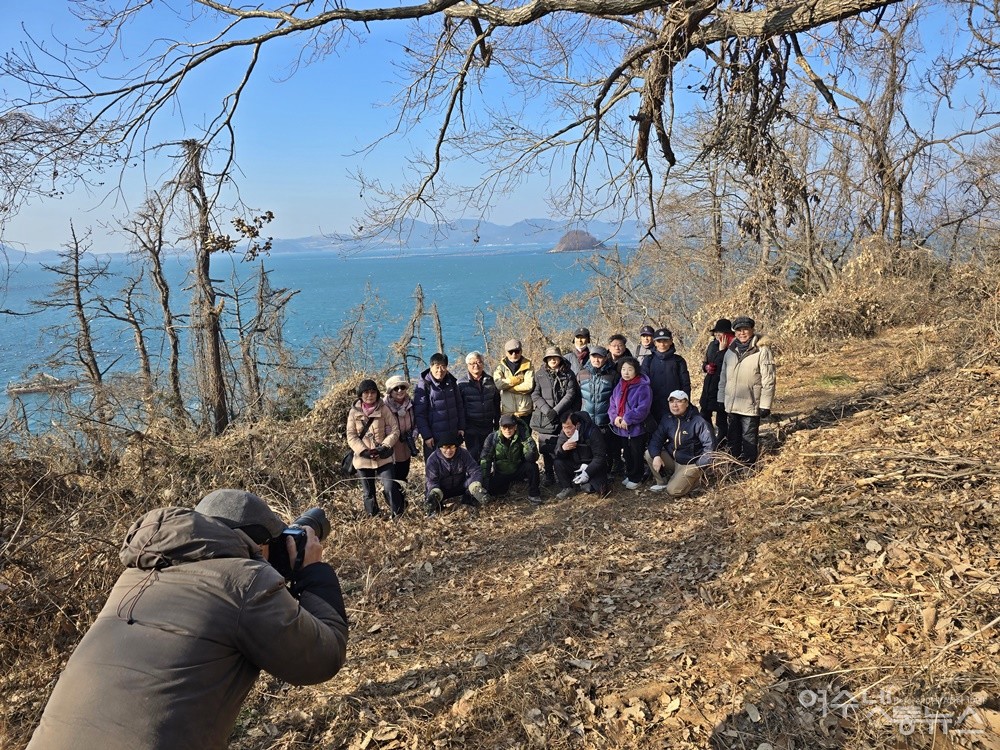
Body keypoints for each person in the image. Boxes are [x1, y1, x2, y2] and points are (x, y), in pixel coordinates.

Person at [26, 489, 348, 750]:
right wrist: (311, 571)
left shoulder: (135, 575)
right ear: (260, 546)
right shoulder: (244, 580)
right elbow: (324, 656)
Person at [718, 315, 776, 465]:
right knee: (733, 437)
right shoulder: (730, 351)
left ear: (752, 330)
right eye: (738, 330)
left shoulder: (762, 350)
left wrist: (765, 404)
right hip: (732, 403)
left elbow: (768, 379)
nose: (742, 333)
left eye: (745, 330)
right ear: (735, 332)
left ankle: (748, 467)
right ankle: (733, 464)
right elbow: (723, 378)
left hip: (750, 403)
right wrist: (721, 399)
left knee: (749, 438)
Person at [646, 391, 715, 497]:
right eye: (672, 401)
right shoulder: (667, 419)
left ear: (687, 403)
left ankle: (696, 480)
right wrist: (656, 456)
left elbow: (710, 449)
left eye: (679, 401)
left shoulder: (698, 422)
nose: (674, 405)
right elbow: (656, 439)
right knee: (649, 454)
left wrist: (698, 466)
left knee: (673, 491)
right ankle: (662, 482)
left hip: (691, 464)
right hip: (674, 459)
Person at [347, 379, 400, 517]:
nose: (370, 395)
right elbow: (351, 435)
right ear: (360, 395)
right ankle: (373, 516)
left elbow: (395, 430)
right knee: (368, 492)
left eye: (372, 392)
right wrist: (363, 451)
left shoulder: (383, 408)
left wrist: (385, 446)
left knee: (390, 487)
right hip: (363, 458)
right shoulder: (354, 412)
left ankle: (397, 515)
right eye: (366, 393)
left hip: (383, 456)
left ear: (377, 394)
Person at [531, 345, 580, 486]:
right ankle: (549, 475)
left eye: (555, 357)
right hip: (545, 418)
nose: (553, 360)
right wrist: (547, 410)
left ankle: (564, 474)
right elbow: (535, 394)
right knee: (546, 447)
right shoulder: (539, 374)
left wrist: (556, 411)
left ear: (560, 358)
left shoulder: (568, 374)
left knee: (565, 445)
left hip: (564, 416)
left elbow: (571, 394)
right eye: (550, 358)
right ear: (546, 360)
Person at [608, 356, 653, 489]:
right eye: (623, 369)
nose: (626, 372)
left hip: (636, 428)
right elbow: (612, 403)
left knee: (636, 452)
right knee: (626, 452)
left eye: (630, 369)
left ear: (636, 371)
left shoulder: (643, 387)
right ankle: (630, 474)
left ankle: (637, 477)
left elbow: (643, 408)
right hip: (621, 428)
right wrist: (615, 417)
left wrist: (628, 418)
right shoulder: (620, 385)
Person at [480, 414, 542, 504]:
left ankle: (534, 494)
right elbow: (485, 459)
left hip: (518, 469)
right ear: (500, 428)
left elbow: (532, 457)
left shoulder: (522, 436)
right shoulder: (492, 438)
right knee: (493, 491)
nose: (507, 430)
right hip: (501, 472)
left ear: (515, 427)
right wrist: (485, 481)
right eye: (505, 427)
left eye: (510, 427)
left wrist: (527, 440)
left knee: (532, 467)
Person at [414, 352, 465, 458]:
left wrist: (461, 427)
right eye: (437, 367)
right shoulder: (424, 385)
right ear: (431, 367)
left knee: (454, 467)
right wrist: (427, 436)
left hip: (452, 435)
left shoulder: (451, 382)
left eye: (443, 367)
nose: (440, 370)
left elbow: (459, 405)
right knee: (434, 468)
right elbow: (420, 414)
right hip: (434, 438)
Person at [424, 433, 488, 515]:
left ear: (456, 447)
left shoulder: (463, 454)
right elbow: (431, 481)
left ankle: (470, 499)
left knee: (473, 484)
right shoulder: (433, 459)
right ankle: (434, 506)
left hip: (460, 485)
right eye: (445, 447)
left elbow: (475, 470)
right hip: (442, 489)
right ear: (440, 448)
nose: (449, 450)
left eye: (452, 447)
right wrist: (434, 491)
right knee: (432, 495)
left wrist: (476, 485)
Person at [553, 411, 610, 499]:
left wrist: (587, 472)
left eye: (569, 427)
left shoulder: (592, 431)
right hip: (576, 464)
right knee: (558, 462)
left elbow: (600, 457)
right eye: (564, 427)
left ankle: (584, 483)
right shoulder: (564, 432)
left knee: (598, 489)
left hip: (592, 465)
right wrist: (563, 449)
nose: (566, 431)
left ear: (577, 425)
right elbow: (557, 452)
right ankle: (567, 487)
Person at [641, 327, 691, 424]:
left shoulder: (678, 360)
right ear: (655, 343)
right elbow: (642, 385)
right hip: (653, 405)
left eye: (665, 341)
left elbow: (685, 384)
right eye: (659, 341)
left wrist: (685, 402)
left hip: (674, 405)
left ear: (671, 341)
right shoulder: (649, 360)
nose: (662, 344)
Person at [457, 351, 500, 461]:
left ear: (483, 363)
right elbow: (459, 407)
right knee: (474, 455)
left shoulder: (490, 381)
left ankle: (488, 477)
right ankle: (476, 477)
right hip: (471, 426)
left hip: (488, 424)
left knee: (488, 453)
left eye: (479, 362)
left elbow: (496, 403)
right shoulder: (461, 384)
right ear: (468, 365)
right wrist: (461, 426)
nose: (476, 365)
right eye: (472, 363)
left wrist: (497, 421)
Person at [384, 374, 418, 516]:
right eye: (395, 388)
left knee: (403, 477)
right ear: (390, 392)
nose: (399, 391)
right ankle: (395, 509)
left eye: (402, 387)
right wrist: (393, 436)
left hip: (406, 448)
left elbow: (416, 422)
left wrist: (414, 434)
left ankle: (402, 506)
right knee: (391, 481)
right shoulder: (385, 407)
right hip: (390, 449)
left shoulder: (410, 405)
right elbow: (380, 427)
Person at [699, 318, 734, 446]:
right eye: (717, 333)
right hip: (709, 386)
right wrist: (705, 367)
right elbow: (706, 362)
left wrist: (722, 350)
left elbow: (725, 365)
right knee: (704, 416)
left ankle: (722, 444)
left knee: (721, 419)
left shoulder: (732, 347)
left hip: (722, 387)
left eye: (721, 333)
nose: (718, 335)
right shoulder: (712, 345)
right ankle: (707, 441)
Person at [494, 338, 534, 418]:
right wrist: (517, 380)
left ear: (521, 351)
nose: (514, 354)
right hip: (507, 412)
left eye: (517, 351)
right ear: (506, 353)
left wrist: (508, 388)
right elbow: (499, 385)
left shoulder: (528, 366)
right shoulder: (500, 367)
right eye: (510, 352)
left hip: (525, 411)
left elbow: (529, 386)